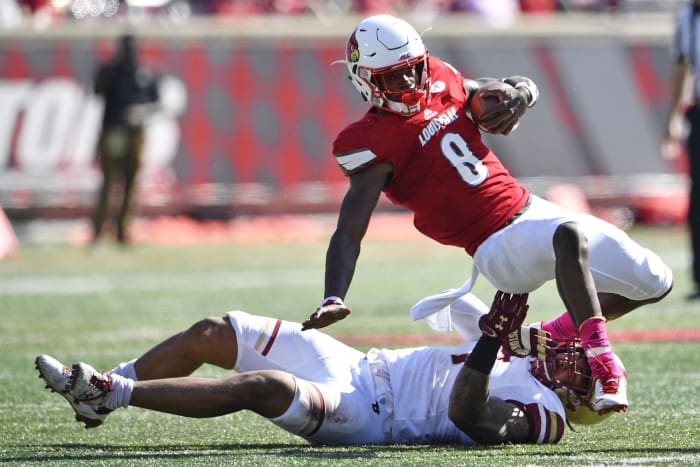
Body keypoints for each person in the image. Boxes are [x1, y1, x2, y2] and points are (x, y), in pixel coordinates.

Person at [302, 14, 673, 416]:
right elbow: (348, 232)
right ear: (366, 80)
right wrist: (333, 294)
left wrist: (522, 92)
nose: (410, 84)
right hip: (494, 245)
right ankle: (604, 366)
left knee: (654, 280)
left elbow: (499, 92)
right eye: (395, 78)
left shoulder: (442, 77)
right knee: (568, 235)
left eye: (413, 70)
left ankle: (545, 337)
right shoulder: (367, 142)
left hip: (530, 210)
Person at [36, 291, 617, 445]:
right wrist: (501, 315)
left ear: (582, 398)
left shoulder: (547, 415)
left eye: (582, 367)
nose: (571, 356)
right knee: (216, 333)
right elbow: (457, 304)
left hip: (371, 416)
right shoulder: (526, 356)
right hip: (361, 366)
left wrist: (494, 340)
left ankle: (114, 393)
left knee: (262, 387)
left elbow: (469, 413)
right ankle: (96, 395)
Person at [91, 34, 160, 245]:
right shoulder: (110, 71)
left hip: (135, 132)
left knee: (131, 182)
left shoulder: (144, 73)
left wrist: (141, 112)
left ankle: (123, 229)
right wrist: (112, 72)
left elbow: (156, 103)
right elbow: (98, 91)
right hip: (113, 131)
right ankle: (100, 229)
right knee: (109, 181)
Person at [662, 0, 700, 300]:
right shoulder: (686, 18)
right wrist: (672, 119)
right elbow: (681, 69)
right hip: (698, 113)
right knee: (697, 198)